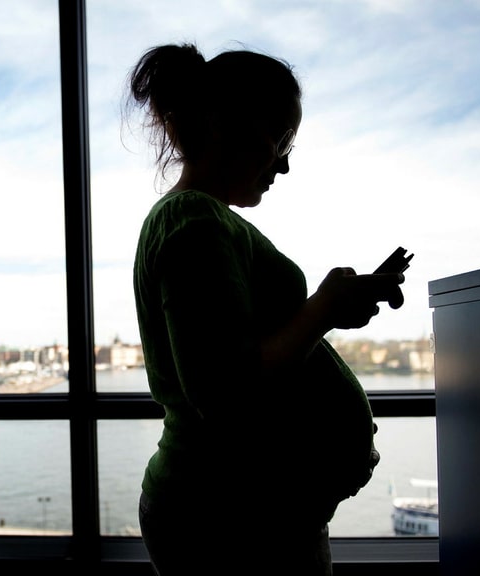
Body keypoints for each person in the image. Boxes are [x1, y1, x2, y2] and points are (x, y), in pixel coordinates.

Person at [126, 42, 404, 575]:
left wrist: (331, 310)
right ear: (220, 124)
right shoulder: (195, 221)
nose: (285, 164)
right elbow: (226, 391)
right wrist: (322, 309)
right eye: (279, 140)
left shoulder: (205, 221)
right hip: (232, 522)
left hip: (245, 514)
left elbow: (251, 352)